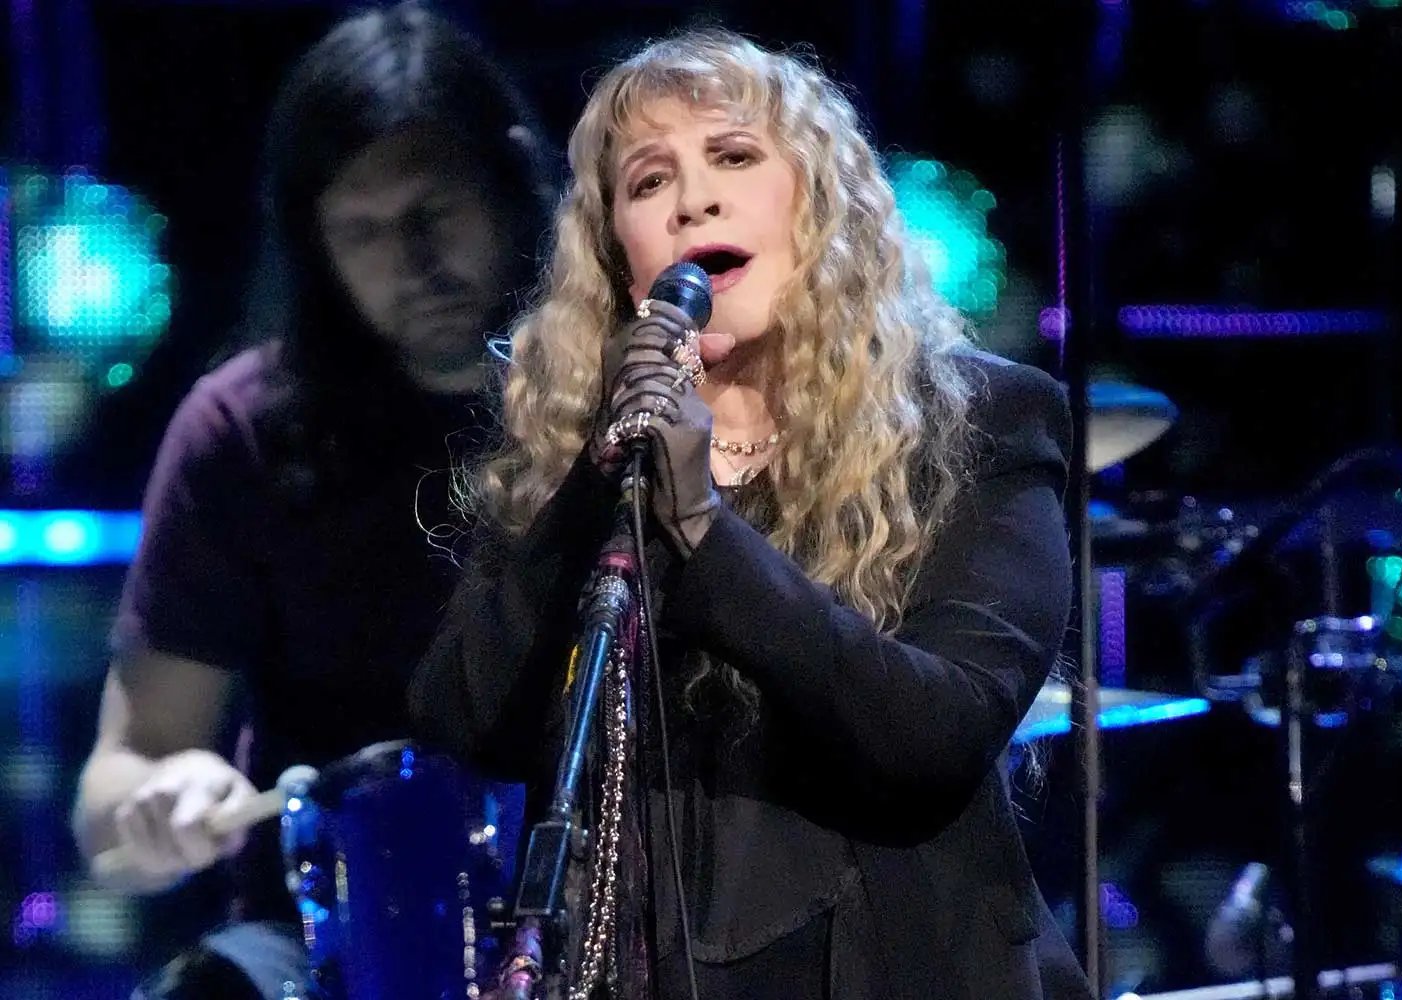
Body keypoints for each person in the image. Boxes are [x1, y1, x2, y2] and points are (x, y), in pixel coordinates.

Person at [407, 29, 1093, 1000]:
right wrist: (602, 473)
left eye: (733, 157)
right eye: (649, 181)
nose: (693, 200)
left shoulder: (982, 424)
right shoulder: (583, 467)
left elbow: (932, 735)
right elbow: (469, 718)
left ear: (817, 205)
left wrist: (702, 526)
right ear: (620, 260)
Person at [71, 5, 553, 997]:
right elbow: (117, 788)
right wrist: (159, 801)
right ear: (315, 246)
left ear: (510, 181)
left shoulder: (634, 399)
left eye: (436, 209)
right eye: (362, 231)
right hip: (321, 939)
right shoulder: (240, 429)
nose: (413, 259)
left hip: (590, 919)